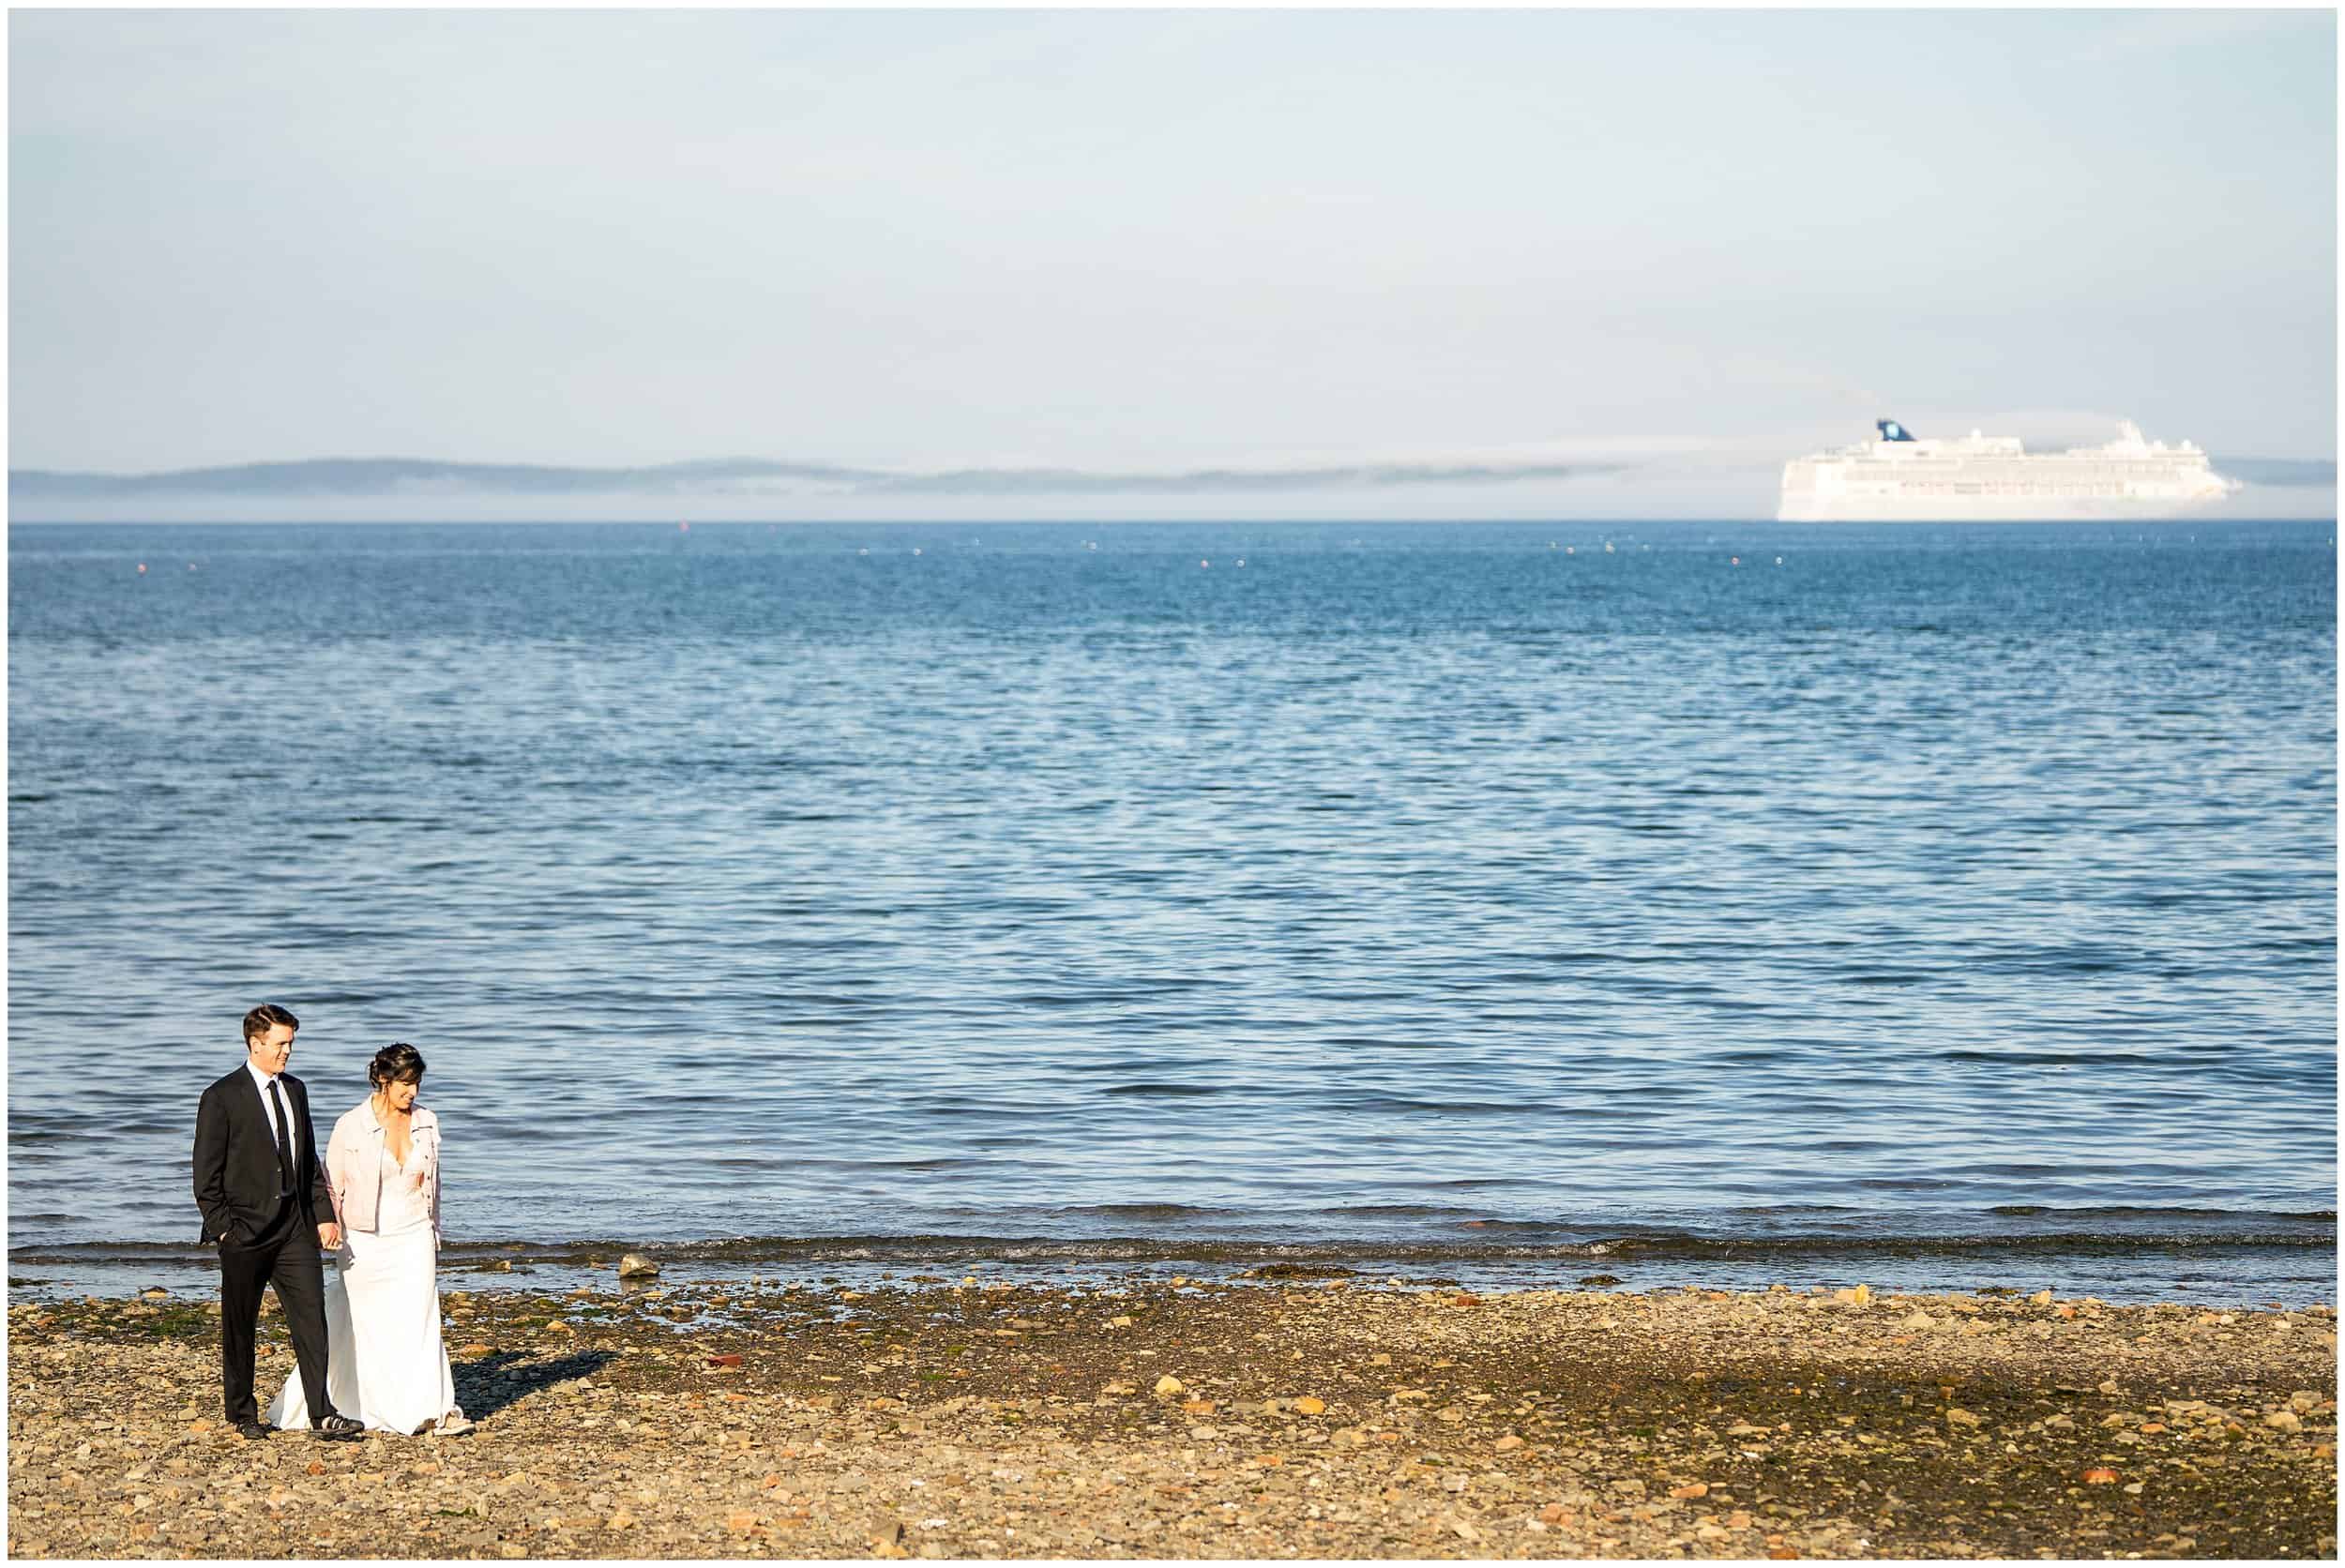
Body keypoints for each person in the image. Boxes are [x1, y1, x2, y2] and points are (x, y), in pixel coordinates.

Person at [269, 1042, 470, 1436]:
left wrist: (434, 1231)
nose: (411, 1092)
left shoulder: (427, 1122)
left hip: (414, 1231)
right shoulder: (351, 1125)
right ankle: (355, 1401)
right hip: (364, 1237)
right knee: (364, 1321)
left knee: (421, 1319)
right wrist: (328, 1226)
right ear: (383, 1079)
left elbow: (435, 1185)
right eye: (404, 1084)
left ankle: (432, 1409)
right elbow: (329, 1184)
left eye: (416, 1084)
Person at [191, 1003, 363, 1441]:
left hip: (294, 1230)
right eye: (281, 1043)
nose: (289, 1051)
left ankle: (321, 1413)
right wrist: (225, 1227)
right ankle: (242, 1413)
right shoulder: (221, 1096)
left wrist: (323, 1217)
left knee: (312, 1319)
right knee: (240, 1324)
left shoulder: (296, 1090)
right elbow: (205, 1175)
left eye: (291, 1043)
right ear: (256, 1043)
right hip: (244, 1232)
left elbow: (307, 1164)